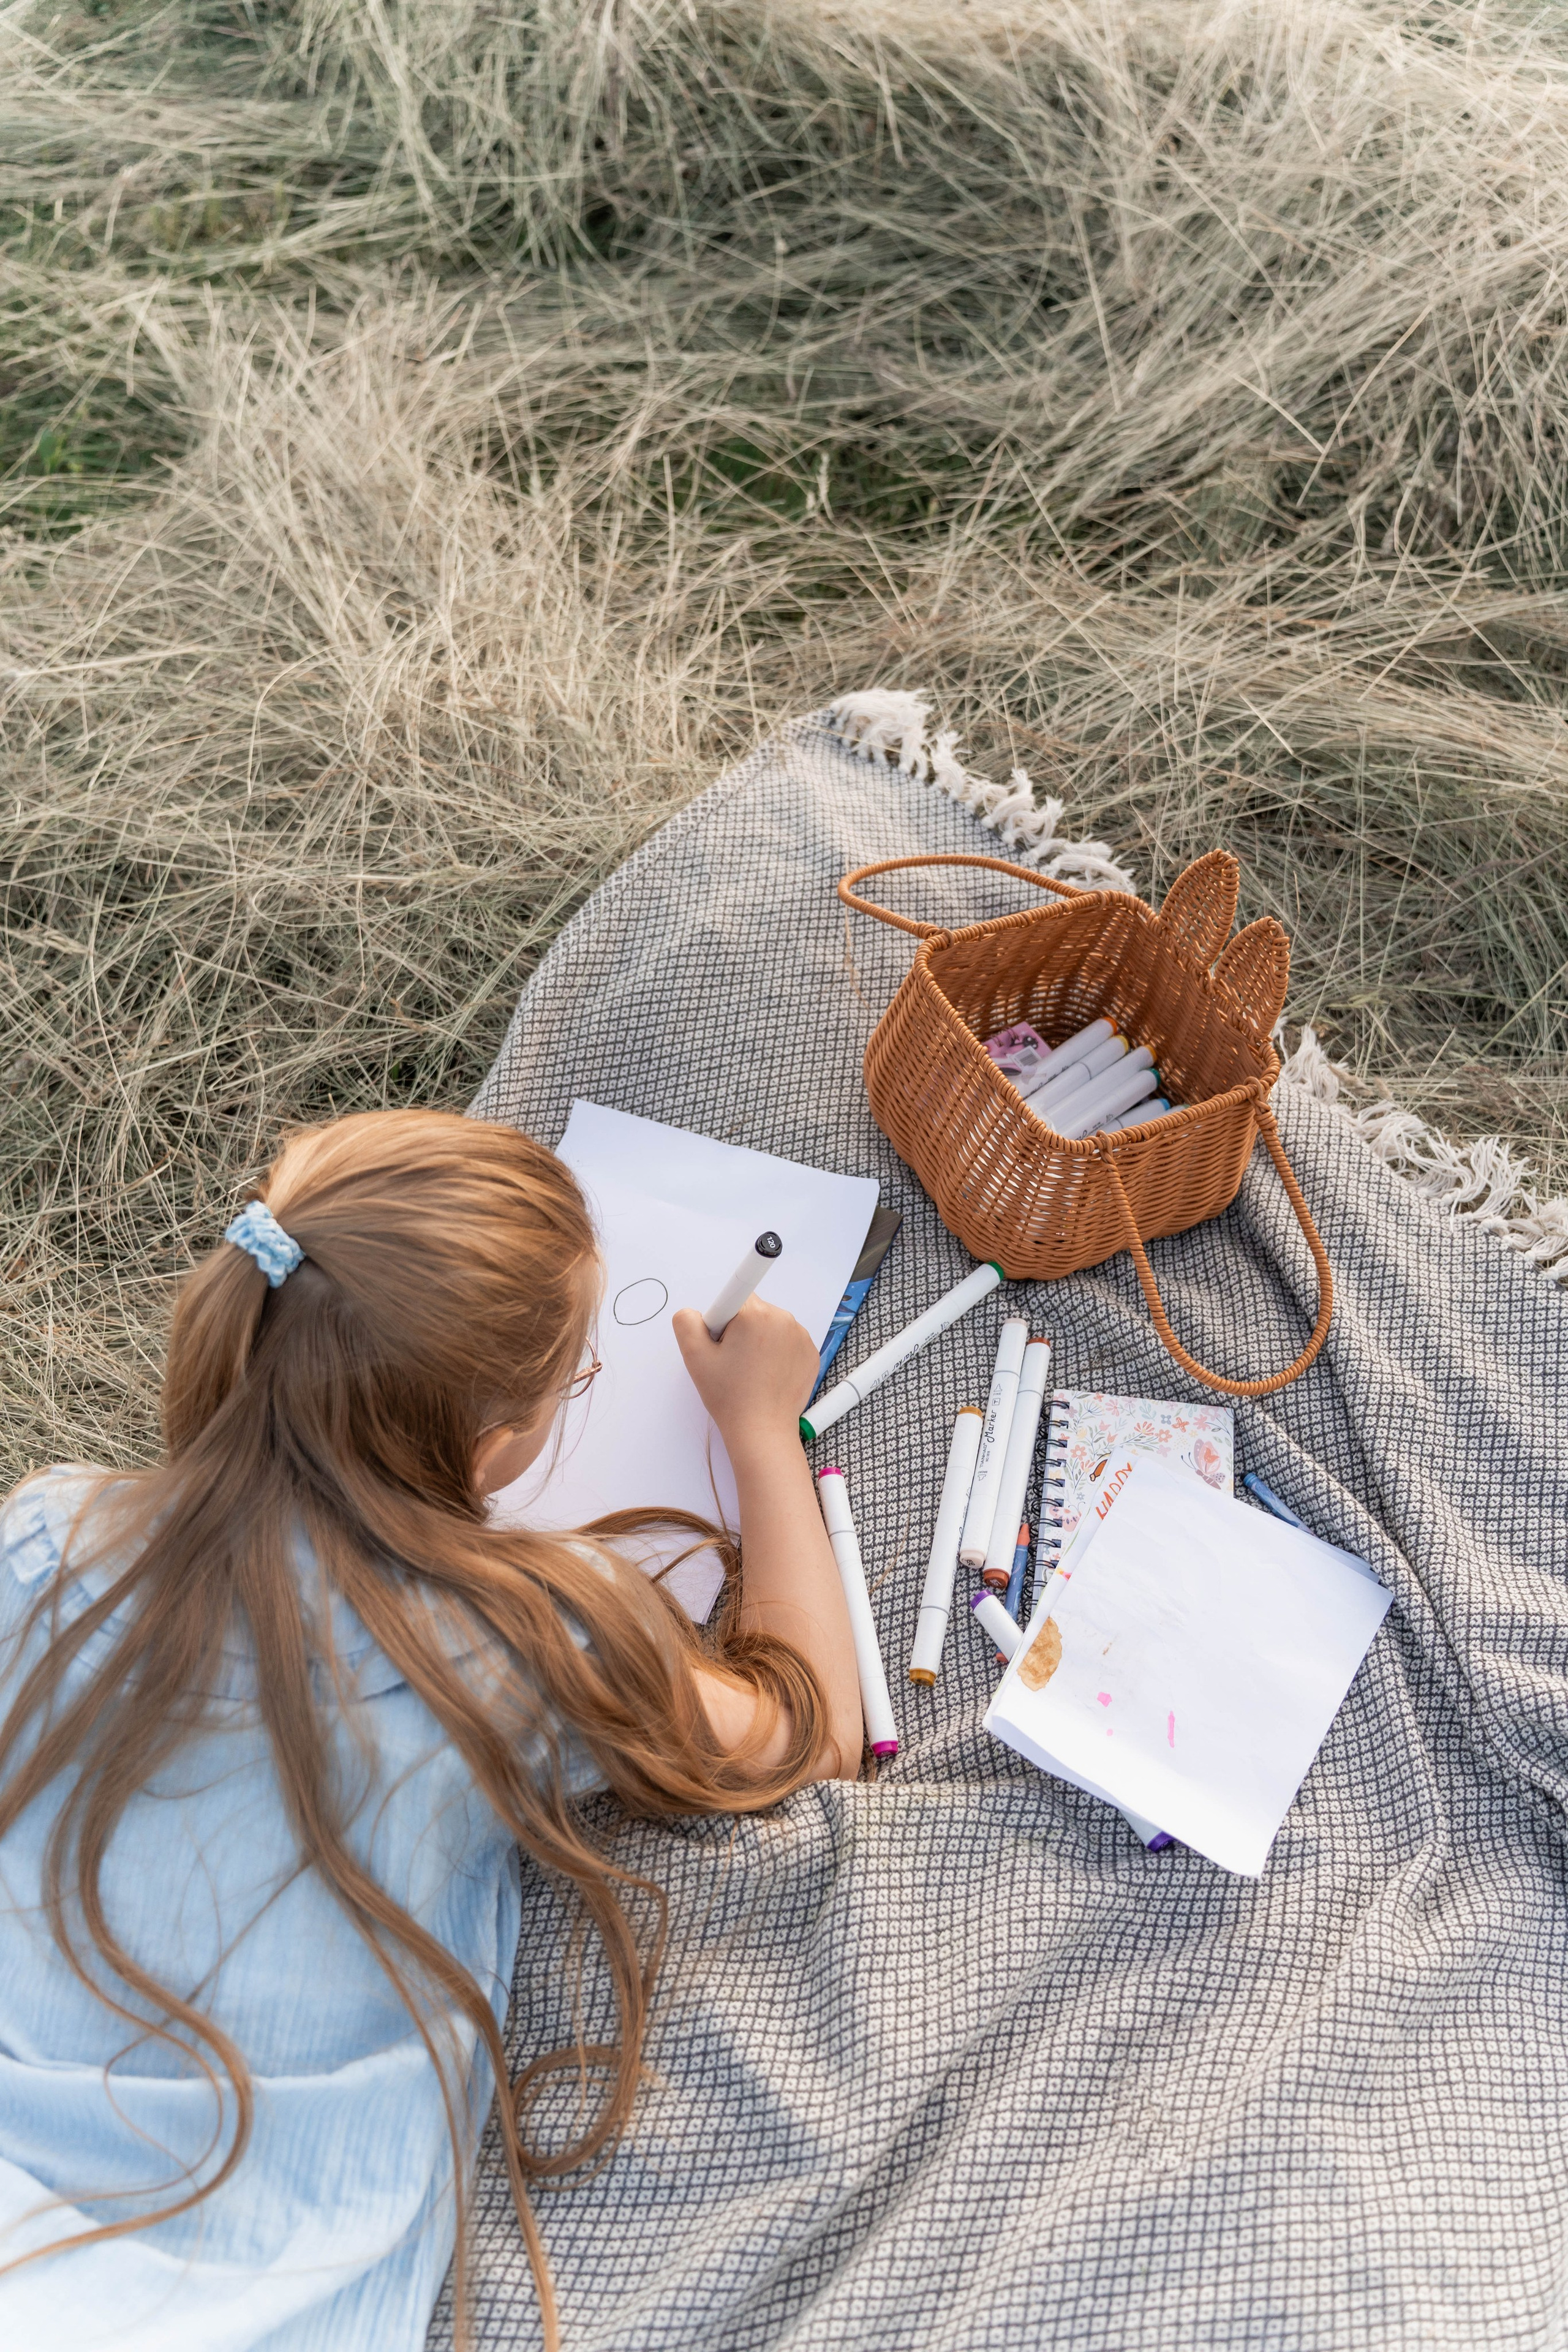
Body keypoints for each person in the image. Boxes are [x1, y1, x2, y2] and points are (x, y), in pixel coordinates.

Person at [0, 1109, 863, 2351]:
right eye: (575, 1377)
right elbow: (805, 1731)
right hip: (240, 2292)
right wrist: (758, 1430)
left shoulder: (46, 1532)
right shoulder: (515, 1636)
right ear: (487, 1442)